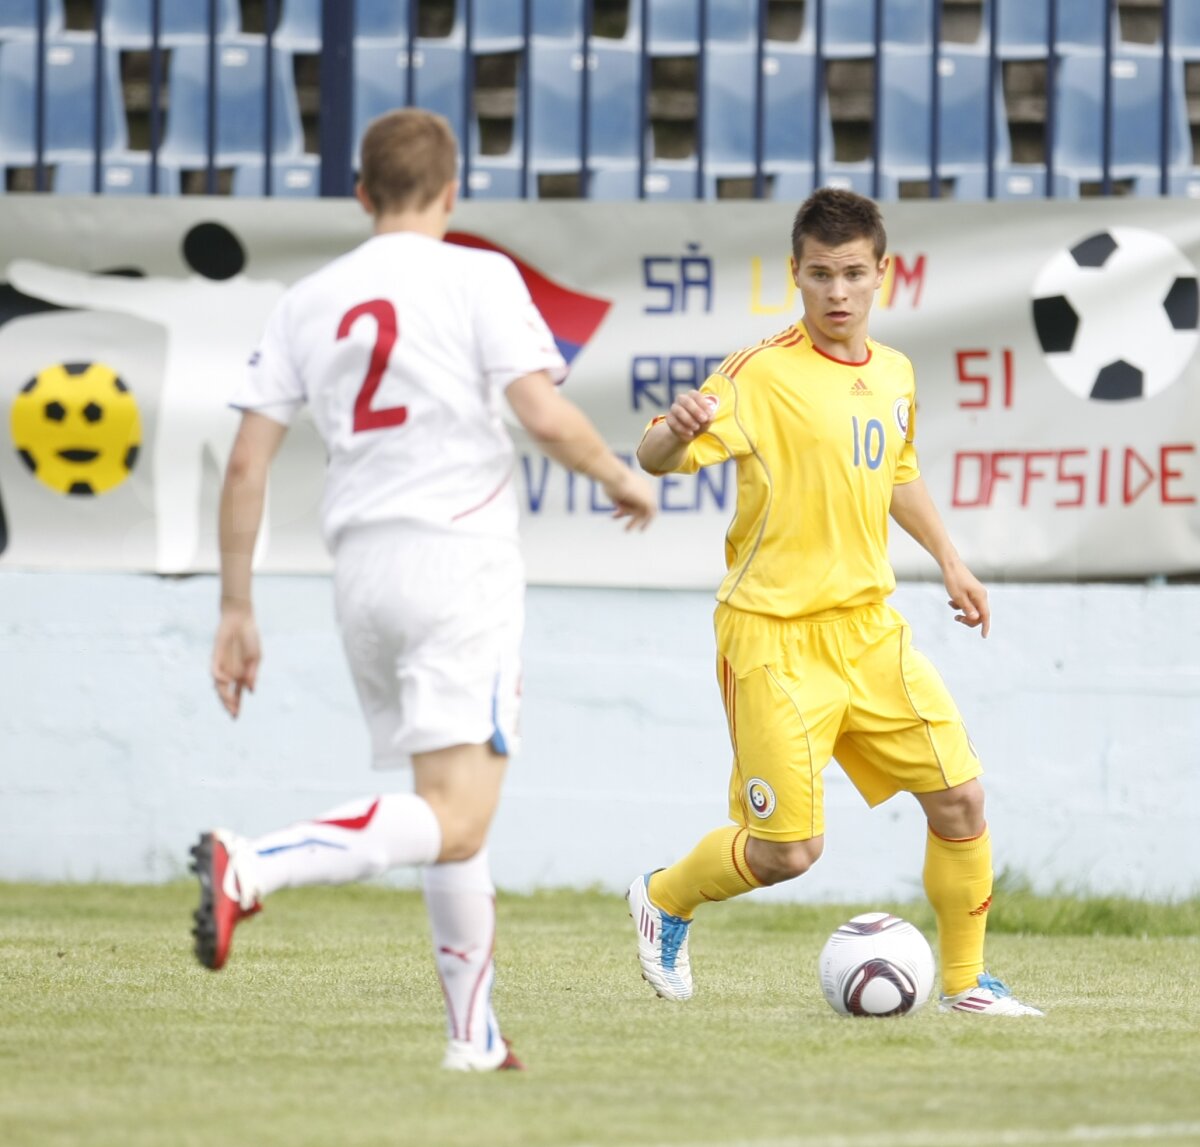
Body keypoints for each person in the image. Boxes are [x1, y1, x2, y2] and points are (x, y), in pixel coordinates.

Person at [191, 108, 657, 1072]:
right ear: (451, 193)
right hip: (458, 563)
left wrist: (236, 607)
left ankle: (474, 1037)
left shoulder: (308, 298)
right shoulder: (478, 275)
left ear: (360, 195)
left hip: (361, 574)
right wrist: (619, 475)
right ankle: (257, 861)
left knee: (448, 810)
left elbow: (246, 465)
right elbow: (541, 411)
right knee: (458, 815)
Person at [627, 187, 1042, 1017]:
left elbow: (895, 470)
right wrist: (672, 428)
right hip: (773, 638)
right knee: (788, 853)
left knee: (961, 797)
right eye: (822, 274)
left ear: (883, 273)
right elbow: (654, 458)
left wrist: (951, 560)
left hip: (869, 631)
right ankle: (666, 897)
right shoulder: (759, 373)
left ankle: (965, 985)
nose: (839, 291)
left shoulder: (894, 372)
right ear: (796, 274)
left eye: (855, 273)